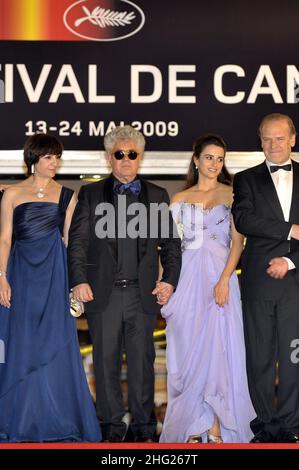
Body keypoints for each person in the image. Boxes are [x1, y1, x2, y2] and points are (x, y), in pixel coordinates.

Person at [67, 125, 182, 442]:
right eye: (120, 154)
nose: (126, 159)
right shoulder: (90, 194)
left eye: (132, 153)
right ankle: (111, 429)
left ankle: (144, 429)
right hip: (103, 294)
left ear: (140, 157)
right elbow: (76, 243)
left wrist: (169, 280)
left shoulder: (157, 195)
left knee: (143, 365)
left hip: (142, 295)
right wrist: (78, 280)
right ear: (109, 158)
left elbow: (171, 246)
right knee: (104, 365)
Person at [0, 133, 101, 442]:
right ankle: (21, 420)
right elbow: (4, 238)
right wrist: (1, 276)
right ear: (33, 159)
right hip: (21, 274)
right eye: (49, 157)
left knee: (55, 344)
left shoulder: (68, 195)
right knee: (21, 343)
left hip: (54, 274)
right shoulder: (12, 194)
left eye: (57, 157)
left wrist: (74, 284)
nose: (55, 162)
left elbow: (72, 242)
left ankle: (56, 421)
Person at [160, 134, 255, 443]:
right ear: (196, 159)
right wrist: (164, 283)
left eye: (220, 158)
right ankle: (191, 425)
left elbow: (237, 243)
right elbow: (168, 248)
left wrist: (226, 279)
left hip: (220, 277)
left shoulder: (232, 194)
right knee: (187, 353)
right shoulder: (177, 199)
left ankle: (215, 426)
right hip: (186, 280)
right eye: (210, 157)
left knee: (220, 352)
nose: (215, 164)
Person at [232, 113, 299, 443]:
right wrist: (289, 230)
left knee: (292, 357)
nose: (273, 144)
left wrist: (289, 260)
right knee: (258, 355)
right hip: (258, 280)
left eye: (279, 138)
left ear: (293, 139)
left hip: (295, 280)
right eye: (267, 139)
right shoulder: (246, 179)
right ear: (260, 142)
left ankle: (290, 426)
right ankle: (266, 426)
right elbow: (244, 219)